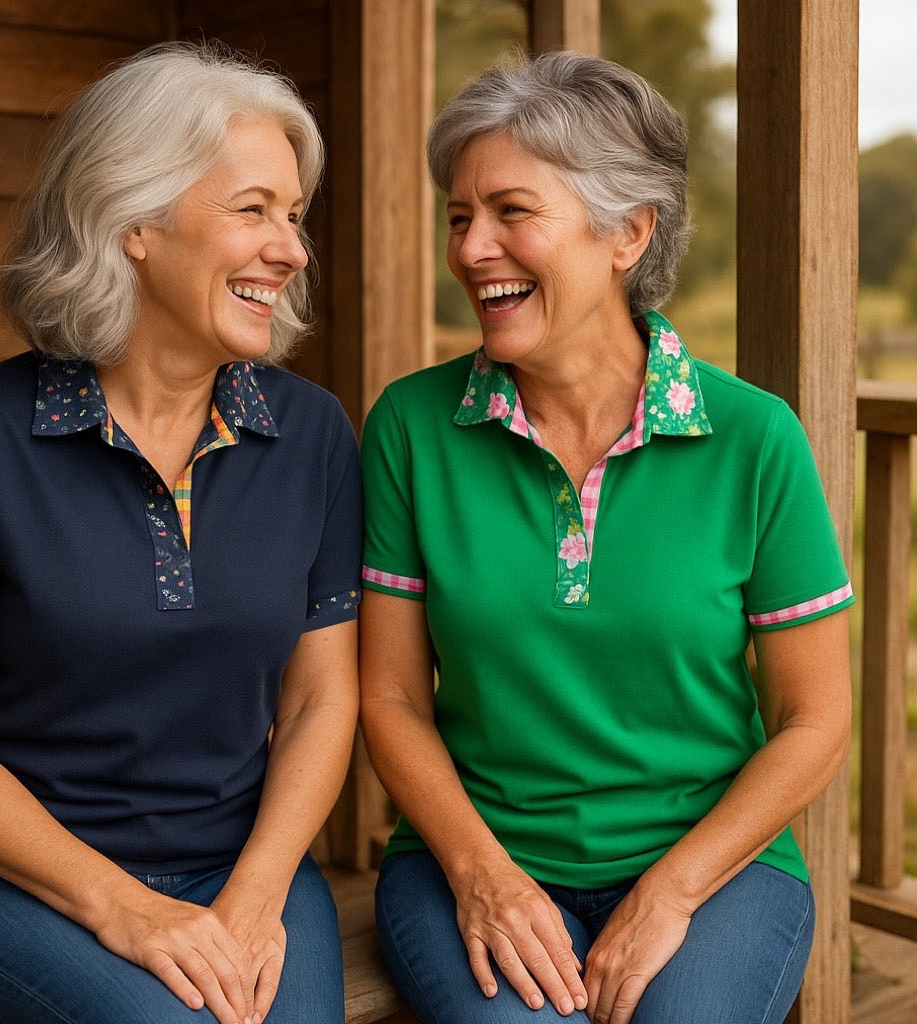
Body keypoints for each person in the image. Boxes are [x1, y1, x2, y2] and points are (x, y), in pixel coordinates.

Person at [359, 51, 853, 1024]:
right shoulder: (410, 427)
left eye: (511, 211)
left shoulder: (753, 437)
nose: (470, 248)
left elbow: (813, 720)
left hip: (711, 865)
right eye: (460, 217)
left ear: (628, 230)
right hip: (471, 855)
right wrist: (482, 873)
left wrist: (667, 893)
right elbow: (388, 696)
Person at [0, 41, 360, 1024]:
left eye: (293, 215)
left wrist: (258, 891)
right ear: (134, 220)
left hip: (243, 865)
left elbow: (323, 698)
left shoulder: (311, 432)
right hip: (2, 879)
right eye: (253, 210)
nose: (293, 249)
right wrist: (130, 912)